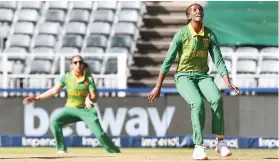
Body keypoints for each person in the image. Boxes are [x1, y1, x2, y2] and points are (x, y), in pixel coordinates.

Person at [148, 3, 240, 160]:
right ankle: (198, 147)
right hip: (183, 76)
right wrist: (158, 87)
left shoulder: (209, 35)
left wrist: (227, 80)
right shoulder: (181, 34)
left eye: (200, 9)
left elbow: (218, 60)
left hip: (203, 76)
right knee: (197, 103)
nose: (199, 12)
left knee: (217, 99)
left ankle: (221, 143)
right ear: (188, 16)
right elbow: (168, 61)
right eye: (194, 10)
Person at [23, 55, 121, 154]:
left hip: (87, 110)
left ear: (83, 65)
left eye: (80, 62)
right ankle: (61, 149)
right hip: (70, 110)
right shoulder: (67, 77)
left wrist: (88, 98)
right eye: (75, 62)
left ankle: (114, 151)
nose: (78, 64)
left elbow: (94, 98)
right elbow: (53, 91)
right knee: (55, 121)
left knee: (100, 135)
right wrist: (37, 98)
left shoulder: (89, 78)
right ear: (71, 66)